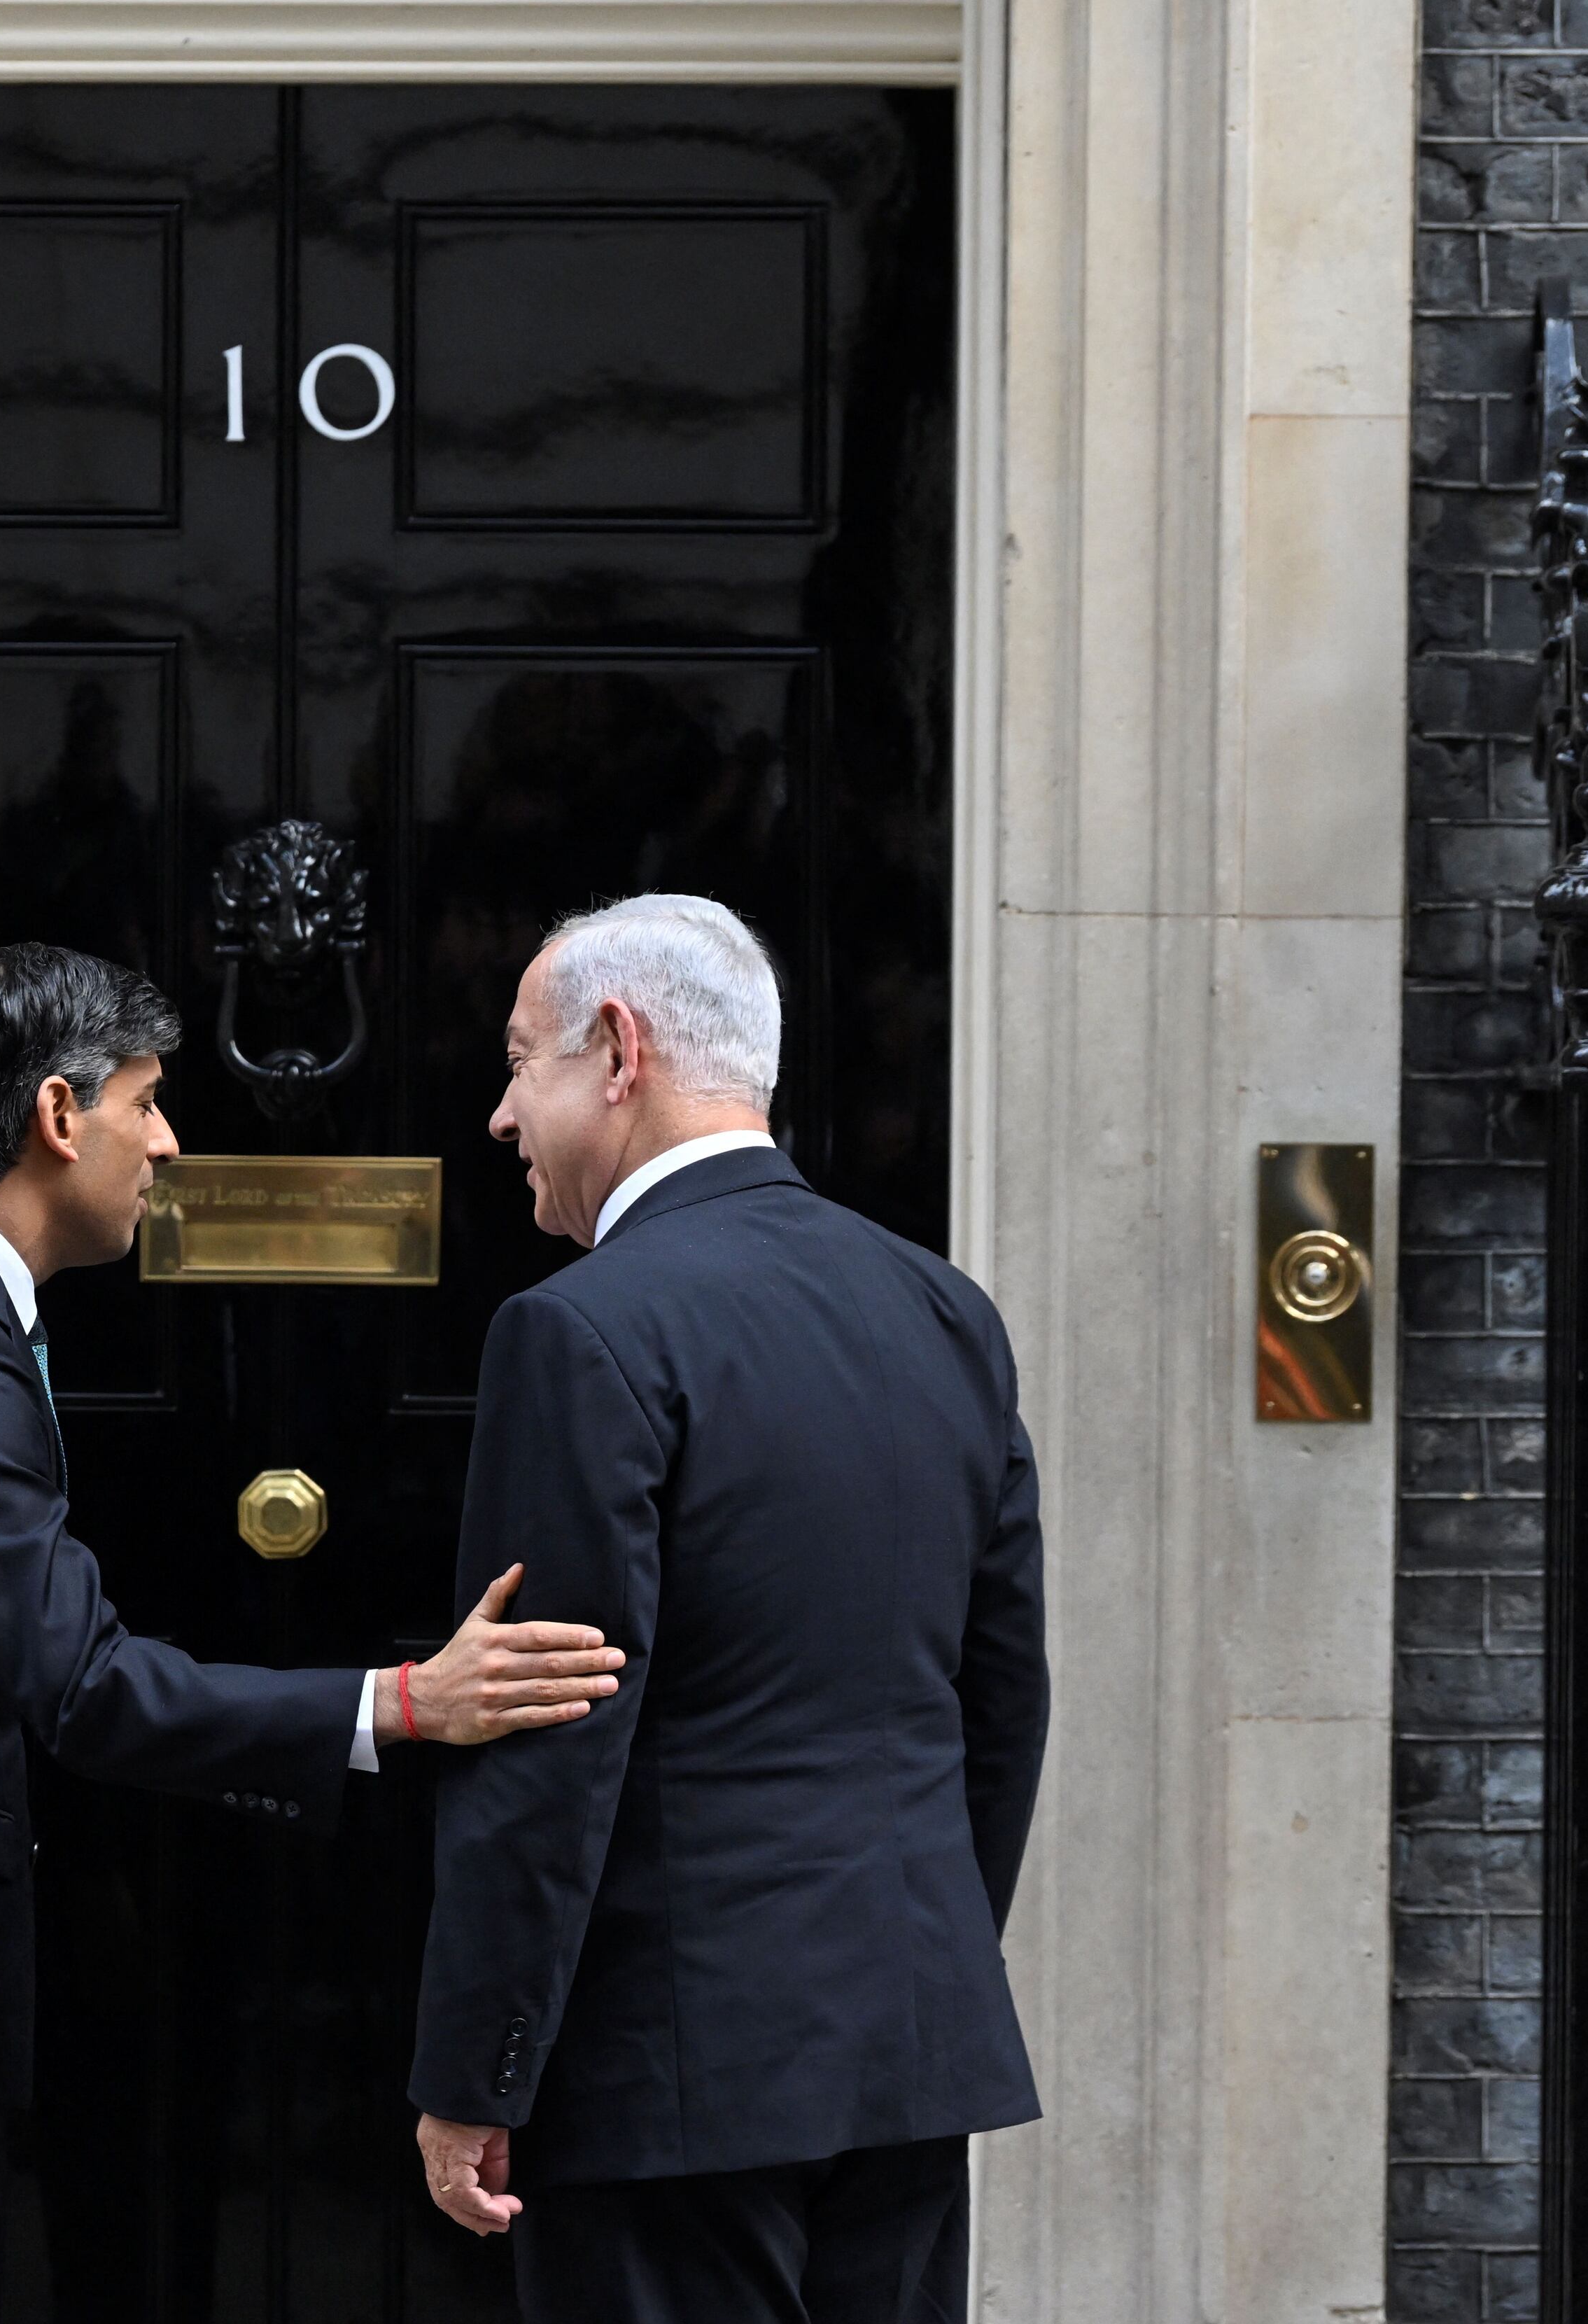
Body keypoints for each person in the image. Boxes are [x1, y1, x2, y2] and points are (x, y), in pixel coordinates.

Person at [0, 940, 627, 2324]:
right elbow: (84, 1681)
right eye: (148, 1102)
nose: (168, 1143)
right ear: (59, 1116)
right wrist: (399, 1700)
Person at [407, 894, 1049, 2324]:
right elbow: (1002, 1698)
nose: (504, 1116)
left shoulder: (581, 1328)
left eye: (522, 1063)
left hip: (669, 2065)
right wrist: (911, 1954)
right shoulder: (944, 1310)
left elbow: (550, 1731)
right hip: (900, 2037)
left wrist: (475, 2071)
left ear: (617, 1052)